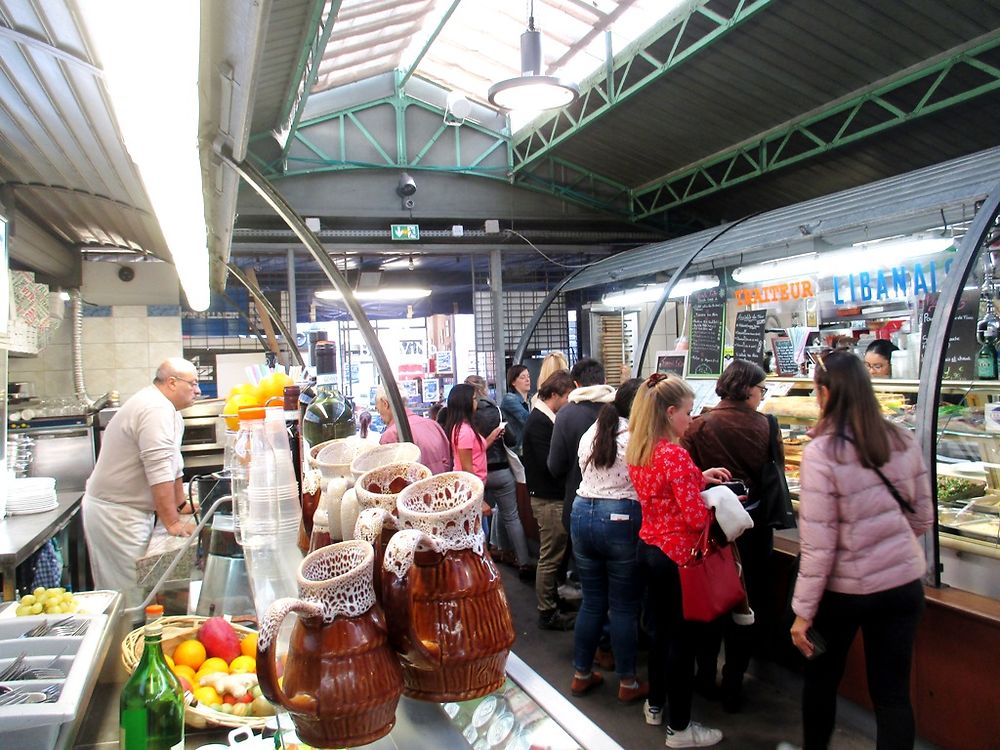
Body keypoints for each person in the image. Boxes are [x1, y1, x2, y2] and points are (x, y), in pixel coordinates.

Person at [780, 350, 933, 750]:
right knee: (893, 695)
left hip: (842, 594)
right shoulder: (901, 437)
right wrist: (889, 552)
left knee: (822, 681)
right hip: (902, 588)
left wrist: (802, 613)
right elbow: (923, 517)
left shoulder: (821, 453)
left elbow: (818, 546)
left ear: (827, 393)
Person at [626, 373, 731, 748]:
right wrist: (720, 509)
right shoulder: (673, 453)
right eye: (688, 412)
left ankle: (655, 706)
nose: (692, 418)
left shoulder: (641, 448)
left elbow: (663, 490)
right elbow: (693, 517)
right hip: (678, 558)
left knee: (659, 635)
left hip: (650, 549)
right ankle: (681, 728)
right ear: (670, 413)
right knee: (681, 644)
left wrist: (697, 477)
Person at [681, 359, 777, 712]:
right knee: (745, 606)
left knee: (711, 602)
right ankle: (734, 682)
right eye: (761, 389)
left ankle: (705, 677)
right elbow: (774, 474)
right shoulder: (767, 425)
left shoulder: (698, 426)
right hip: (753, 529)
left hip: (712, 529)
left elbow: (687, 480)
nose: (761, 395)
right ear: (748, 389)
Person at [82, 358, 200, 612]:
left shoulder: (168, 410)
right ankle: (123, 647)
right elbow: (157, 469)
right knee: (128, 595)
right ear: (171, 383)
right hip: (116, 513)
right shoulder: (154, 408)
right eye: (193, 384)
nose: (198, 390)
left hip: (132, 511)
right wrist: (171, 522)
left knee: (139, 589)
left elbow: (173, 464)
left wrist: (180, 505)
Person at [570, 378, 647, 703]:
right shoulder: (637, 436)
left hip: (581, 513)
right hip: (620, 518)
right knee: (624, 607)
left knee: (592, 601)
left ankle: (581, 674)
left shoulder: (595, 430)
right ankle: (628, 682)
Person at [522, 370, 576, 631]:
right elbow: (549, 466)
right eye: (567, 396)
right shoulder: (540, 422)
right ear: (554, 395)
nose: (569, 401)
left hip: (550, 497)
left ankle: (552, 600)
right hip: (547, 499)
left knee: (554, 552)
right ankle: (547, 610)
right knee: (551, 555)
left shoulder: (544, 418)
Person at [466, 375, 533, 578]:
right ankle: (524, 562)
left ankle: (481, 567)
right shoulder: (496, 410)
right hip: (502, 470)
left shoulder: (467, 416)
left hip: (476, 472)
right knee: (512, 517)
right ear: (485, 389)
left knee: (474, 520)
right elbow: (511, 439)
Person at [547, 358, 615, 533]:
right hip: (619, 508)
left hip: (578, 503)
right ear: (604, 381)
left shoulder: (566, 414)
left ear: (576, 384)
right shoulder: (620, 410)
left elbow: (555, 466)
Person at [441, 384, 502, 523]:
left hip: (472, 489)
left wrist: (493, 436)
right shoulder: (464, 431)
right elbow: (468, 468)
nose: (477, 402)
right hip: (470, 491)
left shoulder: (463, 428)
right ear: (465, 403)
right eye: (474, 399)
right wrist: (479, 500)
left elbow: (477, 452)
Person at [374, 383, 451, 474]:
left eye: (377, 408)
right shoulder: (434, 425)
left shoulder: (391, 435)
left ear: (385, 403)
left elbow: (389, 478)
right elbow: (447, 463)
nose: (378, 412)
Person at [500, 364, 532, 452]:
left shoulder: (532, 399)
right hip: (518, 450)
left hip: (530, 448)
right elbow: (527, 420)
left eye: (528, 376)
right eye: (522, 377)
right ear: (513, 382)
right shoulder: (509, 399)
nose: (527, 380)